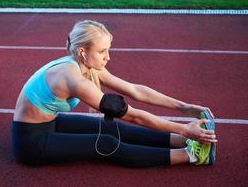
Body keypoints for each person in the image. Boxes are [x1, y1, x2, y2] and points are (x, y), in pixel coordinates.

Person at [12, 20, 217, 167]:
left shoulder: (87, 66)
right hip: (31, 142)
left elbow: (135, 90)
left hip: (52, 124)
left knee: (111, 128)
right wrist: (184, 128)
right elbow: (132, 115)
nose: (108, 57)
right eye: (102, 51)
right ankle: (191, 155)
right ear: (83, 51)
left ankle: (182, 141)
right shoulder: (71, 78)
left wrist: (184, 107)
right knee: (106, 144)